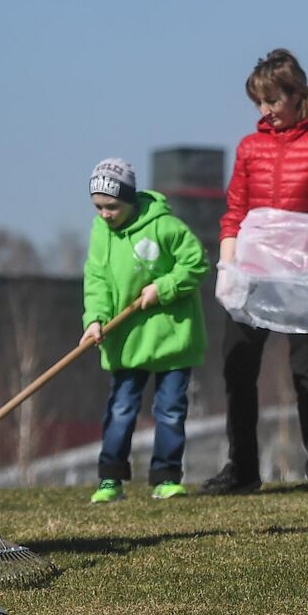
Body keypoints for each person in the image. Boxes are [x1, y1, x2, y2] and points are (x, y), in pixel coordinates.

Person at [204, 49, 308, 497]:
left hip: (302, 274)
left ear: (298, 95)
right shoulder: (249, 148)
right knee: (237, 370)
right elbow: (234, 211)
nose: (265, 111)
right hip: (252, 273)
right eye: (259, 101)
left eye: (273, 100)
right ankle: (242, 469)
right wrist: (227, 267)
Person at [80, 158, 208, 502]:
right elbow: (96, 280)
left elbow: (197, 262)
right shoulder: (99, 231)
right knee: (121, 409)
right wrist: (95, 318)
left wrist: (163, 288)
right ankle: (110, 479)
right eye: (98, 207)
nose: (105, 214)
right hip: (127, 341)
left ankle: (166, 478)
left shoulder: (164, 225)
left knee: (169, 409)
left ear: (130, 200)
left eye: (112, 206)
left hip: (171, 338)